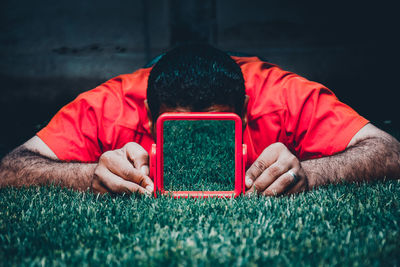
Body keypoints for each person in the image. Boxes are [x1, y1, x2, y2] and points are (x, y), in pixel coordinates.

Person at [0, 44, 399, 196]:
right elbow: (11, 169)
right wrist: (87, 178)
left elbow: (390, 151)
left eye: (215, 127)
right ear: (148, 113)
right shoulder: (112, 104)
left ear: (246, 108)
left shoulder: (280, 95)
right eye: (177, 130)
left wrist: (310, 175)